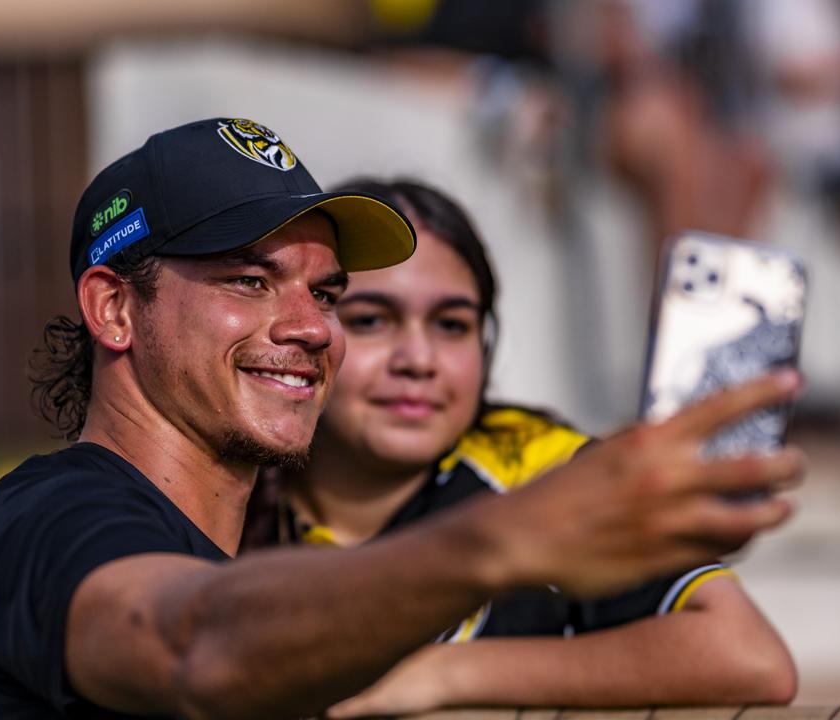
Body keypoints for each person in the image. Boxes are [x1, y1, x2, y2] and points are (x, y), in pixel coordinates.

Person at [0, 117, 804, 719]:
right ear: (115, 308)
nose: (310, 327)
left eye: (327, 294)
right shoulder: (57, 512)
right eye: (249, 281)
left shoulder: (213, 548)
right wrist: (506, 543)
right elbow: (192, 642)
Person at [243, 178, 795, 717]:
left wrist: (442, 673)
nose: (418, 359)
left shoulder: (541, 466)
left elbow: (747, 656)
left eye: (452, 325)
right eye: (371, 320)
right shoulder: (239, 472)